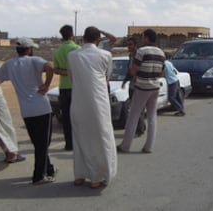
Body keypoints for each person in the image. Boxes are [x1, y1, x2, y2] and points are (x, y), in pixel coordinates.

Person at [0, 37, 56, 185]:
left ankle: (49, 168)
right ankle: (39, 175)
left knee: (38, 142)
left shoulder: (9, 64)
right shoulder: (34, 61)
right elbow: (50, 67)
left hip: (26, 111)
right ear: (29, 49)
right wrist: (46, 85)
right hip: (41, 108)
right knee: (42, 143)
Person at [67, 26, 117, 189]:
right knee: (101, 139)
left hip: (78, 102)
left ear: (83, 39)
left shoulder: (72, 56)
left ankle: (80, 175)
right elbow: (106, 76)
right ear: (98, 39)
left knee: (80, 138)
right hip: (99, 104)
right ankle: (97, 176)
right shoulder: (106, 55)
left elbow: (71, 77)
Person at [117, 29, 165, 154]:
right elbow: (161, 72)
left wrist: (129, 78)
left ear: (147, 38)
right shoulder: (161, 53)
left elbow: (133, 70)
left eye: (143, 37)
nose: (142, 39)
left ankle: (125, 146)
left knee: (133, 115)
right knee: (152, 117)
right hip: (155, 86)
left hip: (142, 86)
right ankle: (149, 147)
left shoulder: (141, 51)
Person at [53, 25, 80, 151]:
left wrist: (66, 72)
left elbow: (56, 70)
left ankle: (68, 143)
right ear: (72, 35)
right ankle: (79, 143)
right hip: (76, 86)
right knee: (78, 116)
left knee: (66, 117)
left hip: (63, 87)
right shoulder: (77, 49)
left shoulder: (58, 51)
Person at [121, 37, 146, 136]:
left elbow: (140, 69)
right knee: (135, 108)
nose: (129, 46)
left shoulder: (139, 56)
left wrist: (137, 76)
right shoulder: (131, 56)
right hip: (132, 86)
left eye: (130, 44)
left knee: (137, 108)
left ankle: (139, 129)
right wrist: (125, 81)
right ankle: (141, 127)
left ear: (135, 45)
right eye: (128, 44)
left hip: (139, 85)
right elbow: (130, 70)